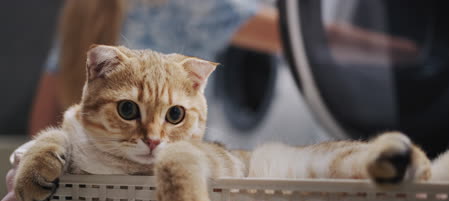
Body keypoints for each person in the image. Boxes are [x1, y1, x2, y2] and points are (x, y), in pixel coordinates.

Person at [29, 0, 282, 135]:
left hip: (91, 189)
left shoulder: (81, 7)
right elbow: (300, 40)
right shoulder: (195, 5)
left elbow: (43, 123)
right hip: (159, 184)